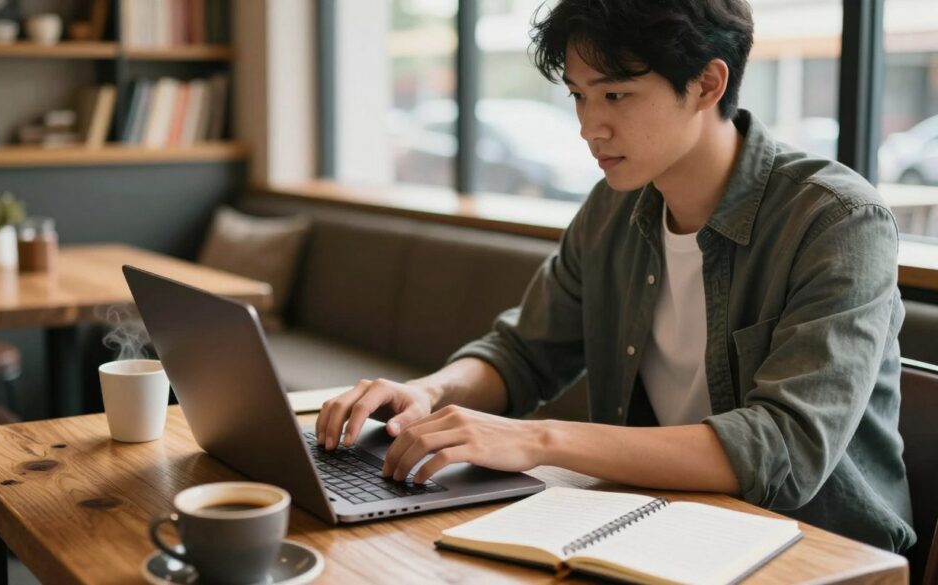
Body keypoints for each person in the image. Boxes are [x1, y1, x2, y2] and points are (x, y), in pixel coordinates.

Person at [316, 0, 915, 552]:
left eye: (616, 96)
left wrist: (536, 440)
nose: (588, 126)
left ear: (708, 84)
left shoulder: (837, 221)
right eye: (578, 96)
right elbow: (523, 352)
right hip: (657, 526)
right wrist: (429, 393)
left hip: (818, 550)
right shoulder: (613, 207)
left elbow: (785, 449)